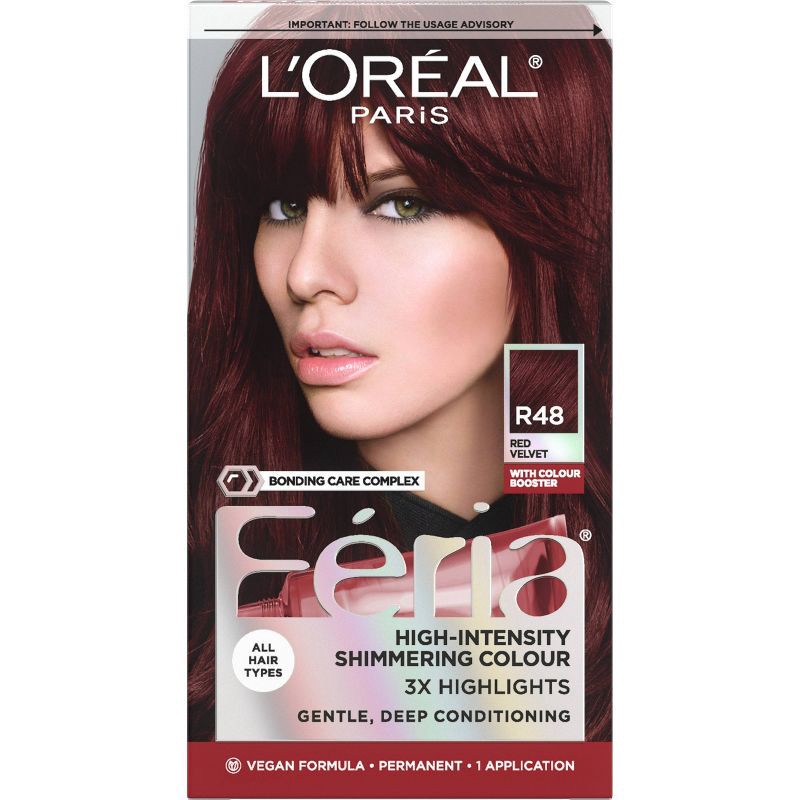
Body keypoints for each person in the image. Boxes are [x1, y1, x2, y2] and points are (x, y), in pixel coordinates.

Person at [189, 29, 611, 741]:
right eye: (285, 207)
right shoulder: (191, 579)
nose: (306, 274)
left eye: (402, 205)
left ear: (559, 228)